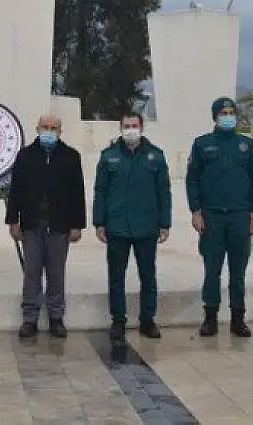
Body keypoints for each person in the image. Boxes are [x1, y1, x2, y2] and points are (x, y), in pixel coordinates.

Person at [186, 96, 253, 338]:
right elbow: (193, 179)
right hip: (212, 217)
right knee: (212, 270)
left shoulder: (247, 145)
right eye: (223, 113)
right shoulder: (202, 144)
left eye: (231, 112)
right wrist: (196, 211)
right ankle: (210, 318)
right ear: (215, 116)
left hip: (240, 216)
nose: (228, 116)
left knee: (238, 271)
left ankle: (237, 318)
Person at [5, 114, 86, 338]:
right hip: (32, 223)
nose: (49, 131)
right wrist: (13, 221)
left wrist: (77, 224)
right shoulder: (25, 156)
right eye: (45, 127)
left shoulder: (71, 156)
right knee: (31, 271)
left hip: (59, 224)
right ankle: (29, 318)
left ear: (60, 131)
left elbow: (78, 192)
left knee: (56, 272)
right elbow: (16, 191)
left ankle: (56, 317)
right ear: (37, 128)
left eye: (53, 128)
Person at [93, 113, 171, 342]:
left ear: (142, 127)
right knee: (116, 276)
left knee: (148, 275)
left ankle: (148, 319)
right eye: (126, 126)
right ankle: (118, 320)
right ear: (120, 127)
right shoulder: (109, 157)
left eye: (134, 126)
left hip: (146, 227)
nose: (130, 130)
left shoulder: (155, 156)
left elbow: (163, 193)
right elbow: (101, 192)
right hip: (117, 226)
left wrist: (164, 223)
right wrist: (99, 222)